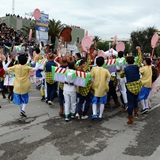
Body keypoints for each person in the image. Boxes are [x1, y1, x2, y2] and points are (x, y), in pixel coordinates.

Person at [120, 46, 142, 124]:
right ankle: (136, 113)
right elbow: (140, 60)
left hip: (130, 87)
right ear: (133, 61)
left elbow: (121, 75)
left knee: (130, 103)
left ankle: (130, 118)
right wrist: (139, 51)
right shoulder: (136, 66)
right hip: (138, 86)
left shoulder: (125, 69)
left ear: (126, 61)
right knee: (136, 100)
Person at [91, 56, 111, 121]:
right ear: (103, 63)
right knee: (102, 102)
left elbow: (91, 78)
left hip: (95, 87)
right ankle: (100, 115)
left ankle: (94, 113)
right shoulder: (106, 70)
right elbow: (108, 79)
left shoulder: (93, 69)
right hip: (103, 88)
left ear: (96, 62)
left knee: (94, 101)